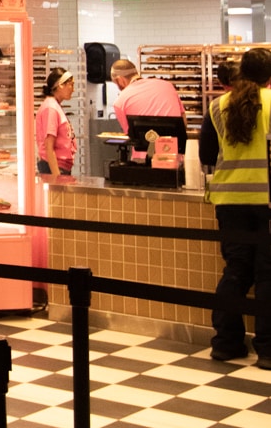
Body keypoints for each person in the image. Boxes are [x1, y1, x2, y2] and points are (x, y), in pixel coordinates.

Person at [199, 46, 271, 365]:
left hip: (229, 200)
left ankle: (226, 343)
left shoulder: (218, 106)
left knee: (236, 269)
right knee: (267, 274)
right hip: (266, 200)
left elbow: (205, 156)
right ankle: (267, 349)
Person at [111, 57, 185, 131]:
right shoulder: (167, 85)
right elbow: (183, 119)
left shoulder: (120, 101)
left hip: (144, 141)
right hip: (174, 141)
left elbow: (129, 132)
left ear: (120, 80)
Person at [36, 68, 76, 176]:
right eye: (71, 85)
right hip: (54, 167)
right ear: (60, 85)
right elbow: (49, 146)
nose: (73, 89)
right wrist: (57, 177)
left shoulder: (55, 106)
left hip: (61, 166)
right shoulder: (51, 108)